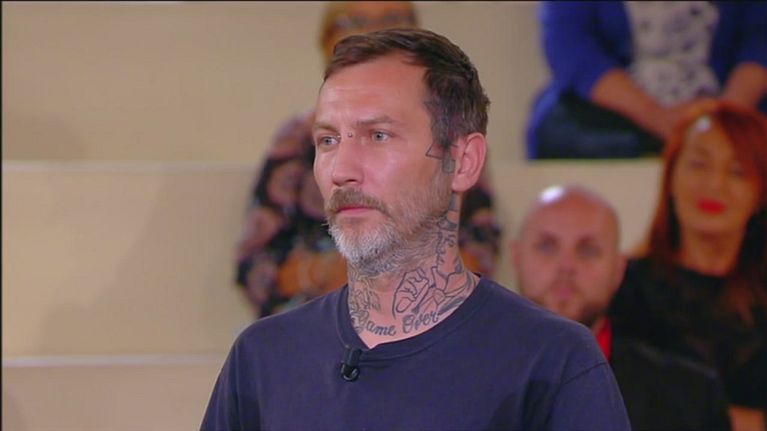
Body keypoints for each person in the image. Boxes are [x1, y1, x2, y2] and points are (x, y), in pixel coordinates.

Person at [201, 28, 630, 430]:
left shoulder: (552, 362)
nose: (342, 170)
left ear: (463, 162)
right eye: (328, 140)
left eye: (378, 136)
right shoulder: (263, 358)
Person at [236, 1, 502, 317]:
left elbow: (479, 260)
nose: (375, 32)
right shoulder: (295, 141)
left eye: (393, 20)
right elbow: (259, 270)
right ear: (326, 41)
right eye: (328, 141)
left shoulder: (450, 135)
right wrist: (329, 272)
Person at [512, 184, 732, 430]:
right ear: (516, 258)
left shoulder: (692, 398)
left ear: (618, 271)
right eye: (546, 246)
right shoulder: (474, 373)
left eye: (588, 250)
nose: (566, 266)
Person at [608, 101, 767, 431]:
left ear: (760, 193)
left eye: (737, 171)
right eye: (698, 164)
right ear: (671, 175)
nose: (714, 184)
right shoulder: (623, 288)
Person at [525, 1, 767, 159]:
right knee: (554, 129)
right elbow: (570, 45)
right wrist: (656, 116)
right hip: (623, 113)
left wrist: (724, 119)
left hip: (730, 106)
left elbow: (759, 41)